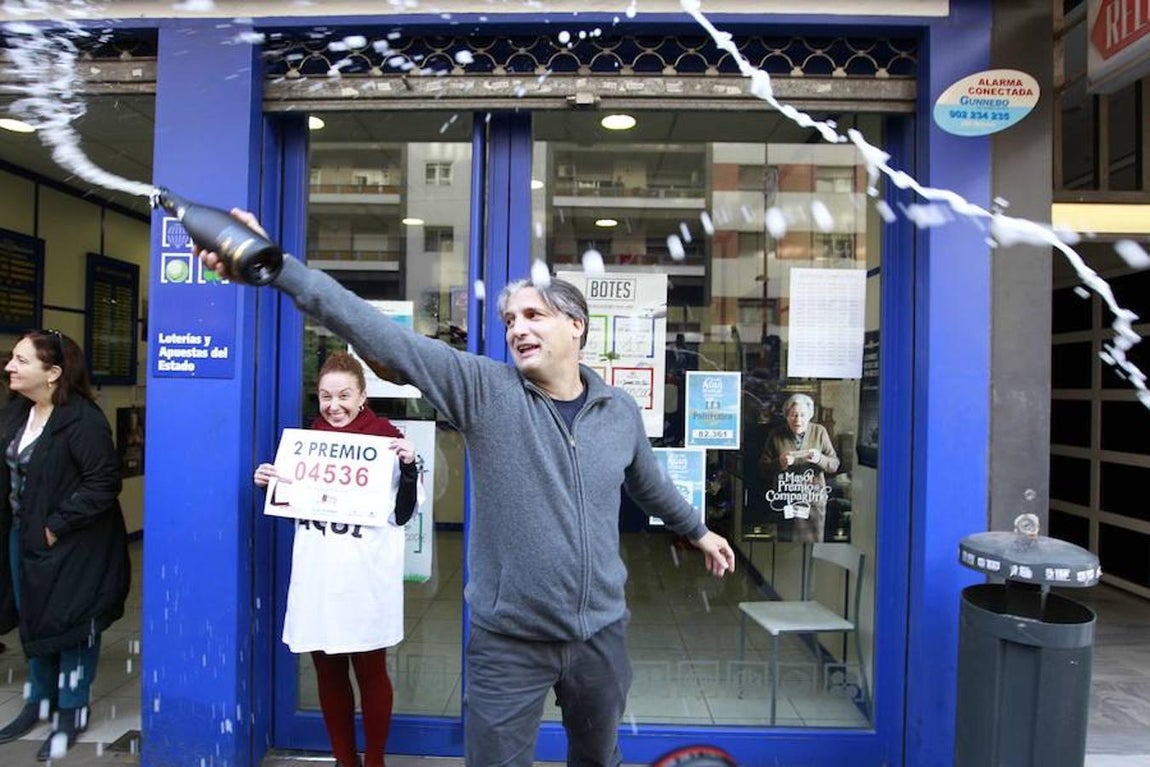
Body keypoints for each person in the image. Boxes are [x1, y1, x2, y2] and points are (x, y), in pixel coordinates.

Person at [197, 209, 735, 767]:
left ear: (577, 325)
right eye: (510, 319)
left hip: (600, 635)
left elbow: (648, 484)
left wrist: (697, 531)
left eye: (534, 315)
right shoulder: (484, 390)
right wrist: (280, 269)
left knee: (599, 760)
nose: (517, 328)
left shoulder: (617, 411)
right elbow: (375, 331)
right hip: (508, 644)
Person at [253, 351, 420, 767]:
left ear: (363, 395)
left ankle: (375, 760)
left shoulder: (386, 439)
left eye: (345, 395)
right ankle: (345, 761)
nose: (335, 405)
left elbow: (401, 514)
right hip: (319, 575)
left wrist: (410, 469)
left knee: (371, 672)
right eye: (326, 396)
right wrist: (268, 484)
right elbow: (293, 504)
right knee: (328, 674)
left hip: (365, 577)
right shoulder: (309, 444)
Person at [0, 329, 131, 760]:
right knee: (34, 618)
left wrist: (55, 526)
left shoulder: (83, 420)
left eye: (21, 360)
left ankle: (71, 710)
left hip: (74, 541)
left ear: (53, 373)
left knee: (74, 625)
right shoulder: (17, 412)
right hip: (25, 535)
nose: (10, 367)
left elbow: (102, 483)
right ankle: (38, 701)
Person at [759, 393, 840, 542]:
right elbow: (763, 468)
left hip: (812, 503)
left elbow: (834, 465)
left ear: (810, 416)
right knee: (786, 543)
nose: (798, 420)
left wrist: (819, 459)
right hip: (787, 501)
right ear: (786, 416)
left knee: (813, 546)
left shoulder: (819, 432)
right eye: (793, 415)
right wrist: (779, 462)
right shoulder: (776, 434)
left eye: (803, 415)